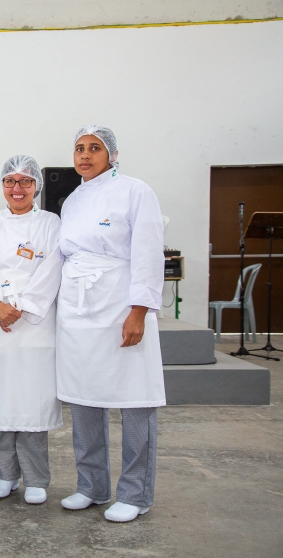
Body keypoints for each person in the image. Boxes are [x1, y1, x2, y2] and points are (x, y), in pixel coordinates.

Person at [56, 125, 165, 523]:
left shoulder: (136, 191)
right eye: (79, 148)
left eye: (95, 148)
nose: (85, 155)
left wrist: (139, 310)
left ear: (112, 155)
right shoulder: (72, 201)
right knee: (84, 398)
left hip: (119, 305)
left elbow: (149, 253)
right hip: (78, 311)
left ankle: (136, 493)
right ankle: (92, 486)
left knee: (134, 399)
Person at [0, 155, 64, 503]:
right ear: (3, 186)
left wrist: (22, 307)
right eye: (10, 181)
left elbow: (52, 268)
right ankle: (5, 475)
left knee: (32, 401)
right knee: (1, 399)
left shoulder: (50, 223)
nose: (17, 188)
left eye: (25, 181)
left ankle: (36, 479)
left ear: (36, 185)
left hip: (33, 321)